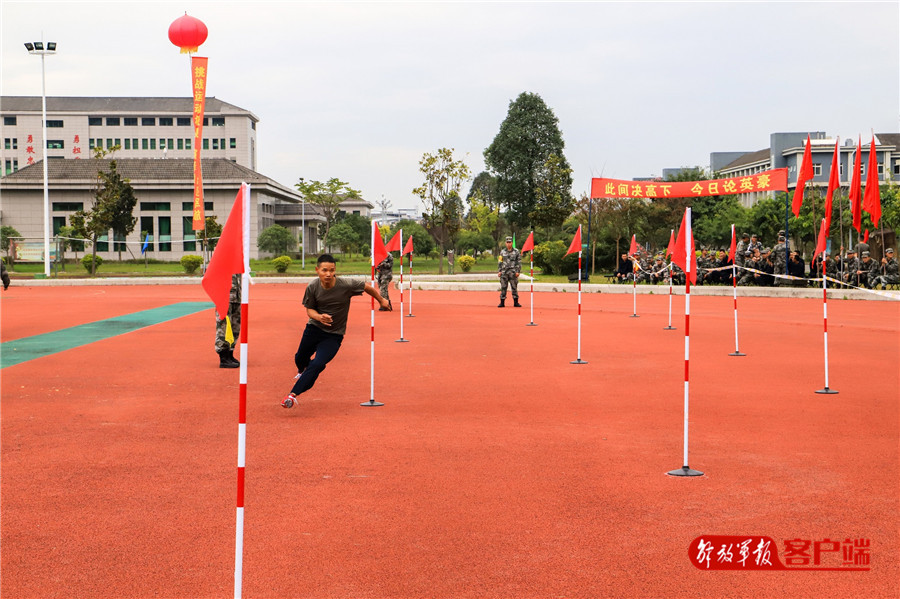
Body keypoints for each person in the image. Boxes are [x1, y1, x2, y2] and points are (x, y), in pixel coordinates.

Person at [282, 254, 391, 408]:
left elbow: (366, 287)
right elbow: (309, 310)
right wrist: (319, 317)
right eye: (324, 270)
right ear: (317, 270)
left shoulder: (346, 284)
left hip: (334, 335)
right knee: (300, 358)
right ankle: (303, 370)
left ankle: (292, 395)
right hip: (314, 329)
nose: (328, 274)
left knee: (317, 364)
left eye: (332, 270)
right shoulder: (312, 287)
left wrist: (381, 300)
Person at [215, 274, 241, 369]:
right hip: (224, 296)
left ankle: (230, 353)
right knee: (224, 326)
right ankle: (223, 356)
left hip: (236, 296)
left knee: (235, 325)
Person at [497, 236, 521, 307]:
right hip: (504, 272)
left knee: (514, 287)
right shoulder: (502, 252)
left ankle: (516, 302)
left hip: (513, 272)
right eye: (507, 242)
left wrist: (518, 271)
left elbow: (518, 262)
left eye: (510, 242)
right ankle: (502, 302)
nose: (508, 244)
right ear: (505, 243)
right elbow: (500, 261)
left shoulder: (516, 251)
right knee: (503, 287)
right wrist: (499, 271)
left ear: (512, 243)